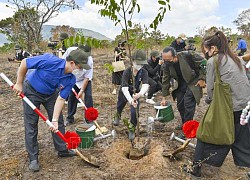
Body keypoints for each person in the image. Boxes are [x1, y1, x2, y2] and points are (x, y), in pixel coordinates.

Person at [184, 31, 250, 178]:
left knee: (205, 133)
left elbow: (211, 90)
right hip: (245, 106)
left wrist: (209, 100)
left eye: (205, 50)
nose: (205, 53)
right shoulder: (236, 58)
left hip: (228, 107)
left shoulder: (213, 61)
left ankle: (196, 170)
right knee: (243, 140)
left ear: (212, 48)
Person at [12, 49, 91, 172]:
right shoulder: (50, 60)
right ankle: (33, 158)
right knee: (31, 124)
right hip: (32, 90)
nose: (79, 70)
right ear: (71, 63)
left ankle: (62, 149)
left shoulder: (70, 79)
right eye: (79, 67)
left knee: (58, 121)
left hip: (51, 94)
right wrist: (19, 83)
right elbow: (24, 63)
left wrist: (53, 120)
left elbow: (60, 99)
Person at [160, 47, 206, 135]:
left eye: (169, 60)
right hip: (181, 84)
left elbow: (204, 63)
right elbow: (165, 80)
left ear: (175, 56)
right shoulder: (166, 65)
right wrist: (164, 97)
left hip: (193, 81)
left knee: (188, 104)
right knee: (180, 105)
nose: (166, 62)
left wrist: (202, 79)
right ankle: (185, 123)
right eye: (164, 60)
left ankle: (188, 130)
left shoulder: (188, 55)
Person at [113, 50, 149, 140]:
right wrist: (131, 101)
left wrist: (139, 94)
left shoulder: (143, 72)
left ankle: (132, 128)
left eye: (142, 64)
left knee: (134, 112)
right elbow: (124, 88)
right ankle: (118, 115)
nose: (140, 66)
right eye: (138, 63)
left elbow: (145, 85)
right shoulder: (127, 72)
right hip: (124, 93)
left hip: (135, 93)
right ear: (133, 61)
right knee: (120, 106)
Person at [62, 45, 94, 125]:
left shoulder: (89, 61)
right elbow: (63, 63)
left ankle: (89, 119)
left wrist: (81, 90)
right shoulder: (70, 51)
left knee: (88, 97)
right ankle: (70, 118)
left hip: (84, 79)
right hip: (73, 77)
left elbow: (87, 78)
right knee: (72, 96)